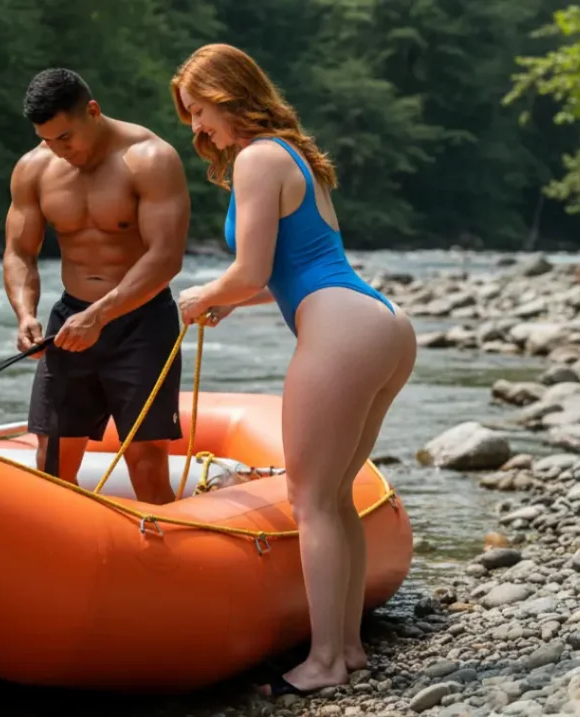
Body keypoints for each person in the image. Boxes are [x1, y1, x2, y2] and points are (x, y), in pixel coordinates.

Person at [169, 44, 418, 696]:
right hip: (380, 324)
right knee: (333, 497)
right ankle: (349, 649)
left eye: (199, 111)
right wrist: (232, 300)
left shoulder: (257, 157)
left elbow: (250, 269)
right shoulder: (294, 154)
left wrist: (202, 295)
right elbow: (291, 269)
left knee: (309, 501)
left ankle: (325, 661)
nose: (197, 128)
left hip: (342, 331)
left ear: (228, 95)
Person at [2, 67, 191, 505]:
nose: (59, 150)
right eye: (47, 140)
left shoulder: (150, 159)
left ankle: (160, 547)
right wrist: (26, 314)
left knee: (146, 463)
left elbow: (166, 258)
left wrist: (100, 315)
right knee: (52, 461)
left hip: (142, 322)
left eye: (65, 137)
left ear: (92, 110)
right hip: (71, 320)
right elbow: (19, 252)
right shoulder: (34, 168)